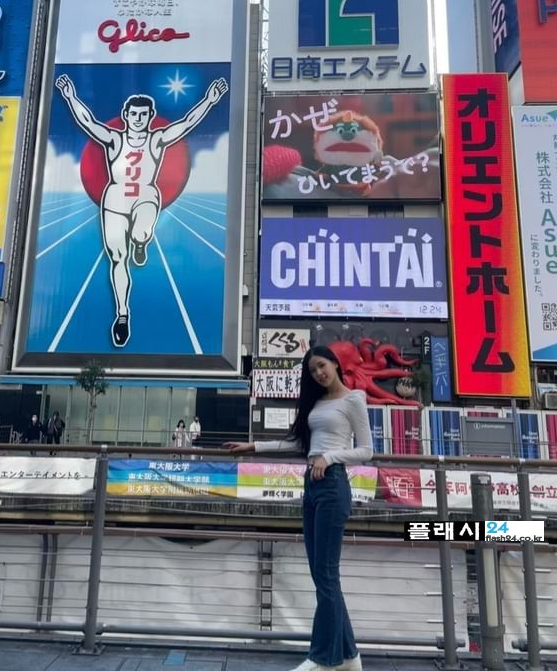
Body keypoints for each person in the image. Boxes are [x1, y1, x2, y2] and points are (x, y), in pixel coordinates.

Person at [225, 346, 372, 671]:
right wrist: (254, 446)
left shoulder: (354, 399)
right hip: (312, 485)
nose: (319, 373)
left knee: (326, 574)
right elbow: (298, 444)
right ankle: (349, 657)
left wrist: (329, 458)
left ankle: (323, 659)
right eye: (312, 371)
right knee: (322, 575)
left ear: (334, 363)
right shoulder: (316, 403)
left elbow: (366, 450)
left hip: (333, 484)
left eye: (322, 366)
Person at [56, 74, 228, 348]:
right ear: (126, 115)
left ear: (150, 116)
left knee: (141, 231)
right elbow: (87, 121)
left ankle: (141, 242)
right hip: (115, 199)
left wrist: (209, 100)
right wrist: (69, 96)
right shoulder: (114, 139)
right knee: (117, 257)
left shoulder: (156, 139)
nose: (138, 118)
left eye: (143, 114)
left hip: (146, 195)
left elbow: (186, 123)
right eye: (133, 113)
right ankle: (122, 314)